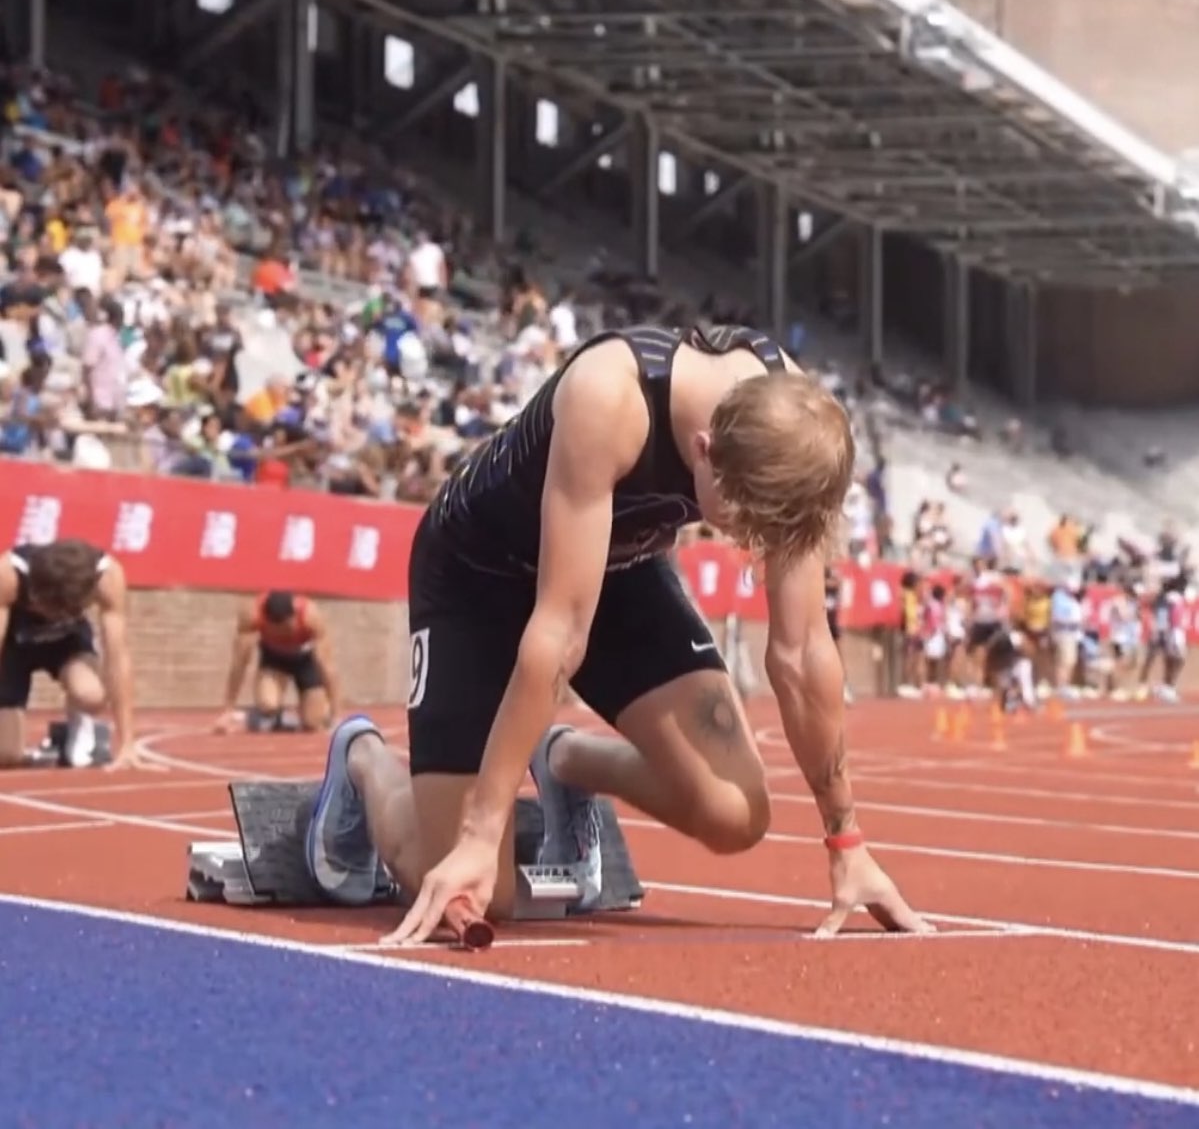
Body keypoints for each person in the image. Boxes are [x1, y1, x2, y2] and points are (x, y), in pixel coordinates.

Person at [305, 323, 931, 942]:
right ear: (704, 449)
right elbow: (559, 632)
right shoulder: (608, 396)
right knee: (477, 892)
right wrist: (479, 833)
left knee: (736, 813)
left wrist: (846, 842)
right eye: (745, 526)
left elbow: (801, 653)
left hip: (613, 568)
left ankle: (564, 761)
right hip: (477, 576)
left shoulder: (793, 429)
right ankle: (363, 760)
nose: (749, 543)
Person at [0, 537, 138, 769]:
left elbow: (117, 658)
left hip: (66, 643)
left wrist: (127, 743)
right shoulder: (8, 574)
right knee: (7, 756)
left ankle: (79, 724)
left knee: (91, 694)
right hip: (13, 646)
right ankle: (50, 748)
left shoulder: (108, 577)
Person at [215, 591, 339, 734]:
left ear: (293, 616)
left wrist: (336, 717)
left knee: (313, 722)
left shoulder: (311, 617)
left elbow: (328, 668)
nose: (284, 632)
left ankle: (293, 716)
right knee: (268, 704)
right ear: (267, 621)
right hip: (274, 659)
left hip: (305, 661)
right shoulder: (251, 616)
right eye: (277, 629)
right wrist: (228, 710)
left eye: (287, 626)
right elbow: (239, 663)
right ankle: (270, 716)